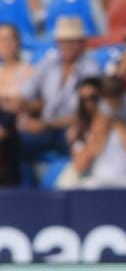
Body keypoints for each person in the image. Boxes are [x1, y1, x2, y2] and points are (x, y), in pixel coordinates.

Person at [18, 16, 100, 164]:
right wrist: (25, 119)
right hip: (47, 127)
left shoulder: (90, 69)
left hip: (73, 128)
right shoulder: (48, 63)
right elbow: (25, 95)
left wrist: (46, 123)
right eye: (62, 41)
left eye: (71, 41)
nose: (66, 46)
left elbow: (87, 112)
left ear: (82, 43)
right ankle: (24, 186)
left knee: (76, 143)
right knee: (16, 143)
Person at [57, 77, 126, 190]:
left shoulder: (125, 120)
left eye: (94, 98)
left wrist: (113, 122)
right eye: (84, 99)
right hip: (99, 183)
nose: (89, 103)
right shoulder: (79, 130)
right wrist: (98, 133)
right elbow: (80, 164)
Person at [0, 24, 33, 114]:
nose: (4, 44)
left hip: (14, 121)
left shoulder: (29, 71)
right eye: (1, 40)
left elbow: (21, 103)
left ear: (17, 42)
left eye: (7, 39)